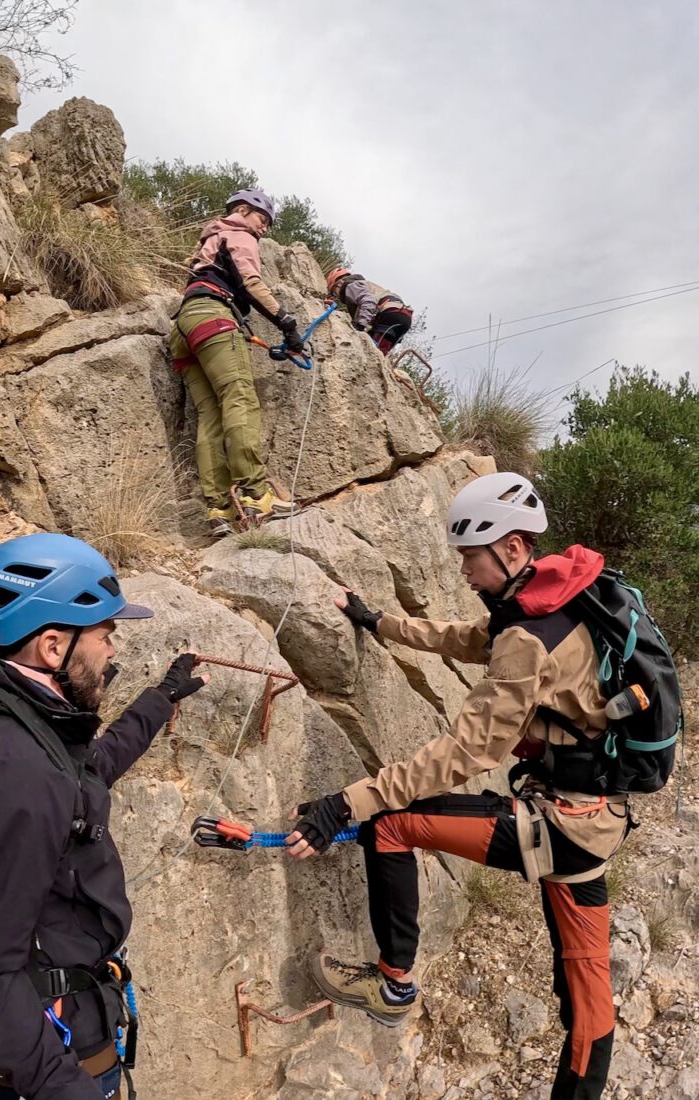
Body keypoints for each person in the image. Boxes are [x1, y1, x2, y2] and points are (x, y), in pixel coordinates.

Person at [285, 473, 629, 1100]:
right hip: (589, 818)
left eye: (472, 557)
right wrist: (379, 621)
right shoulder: (553, 604)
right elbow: (467, 639)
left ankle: (392, 985)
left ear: (514, 550)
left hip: (563, 830)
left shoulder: (529, 633)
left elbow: (466, 752)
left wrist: (346, 801)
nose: (466, 571)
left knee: (388, 823)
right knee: (587, 1002)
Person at [0, 533, 209, 1100]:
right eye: (106, 636)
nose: (112, 653)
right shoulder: (11, 773)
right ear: (53, 647)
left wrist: (162, 698)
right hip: (55, 1059)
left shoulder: (28, 722)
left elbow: (89, 773)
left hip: (68, 1030)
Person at [169, 188, 302, 537]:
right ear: (242, 210)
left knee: (210, 417)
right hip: (213, 318)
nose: (265, 229)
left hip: (184, 328)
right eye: (263, 219)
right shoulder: (239, 235)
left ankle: (219, 509)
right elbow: (252, 284)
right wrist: (287, 325)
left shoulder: (210, 240)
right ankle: (257, 495)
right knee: (240, 399)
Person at [326, 267, 413, 356]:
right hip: (403, 317)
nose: (338, 296)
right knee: (379, 351)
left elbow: (368, 301)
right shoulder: (366, 286)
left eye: (334, 292)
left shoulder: (350, 286)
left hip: (389, 314)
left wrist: (359, 324)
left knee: (369, 352)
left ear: (339, 284)